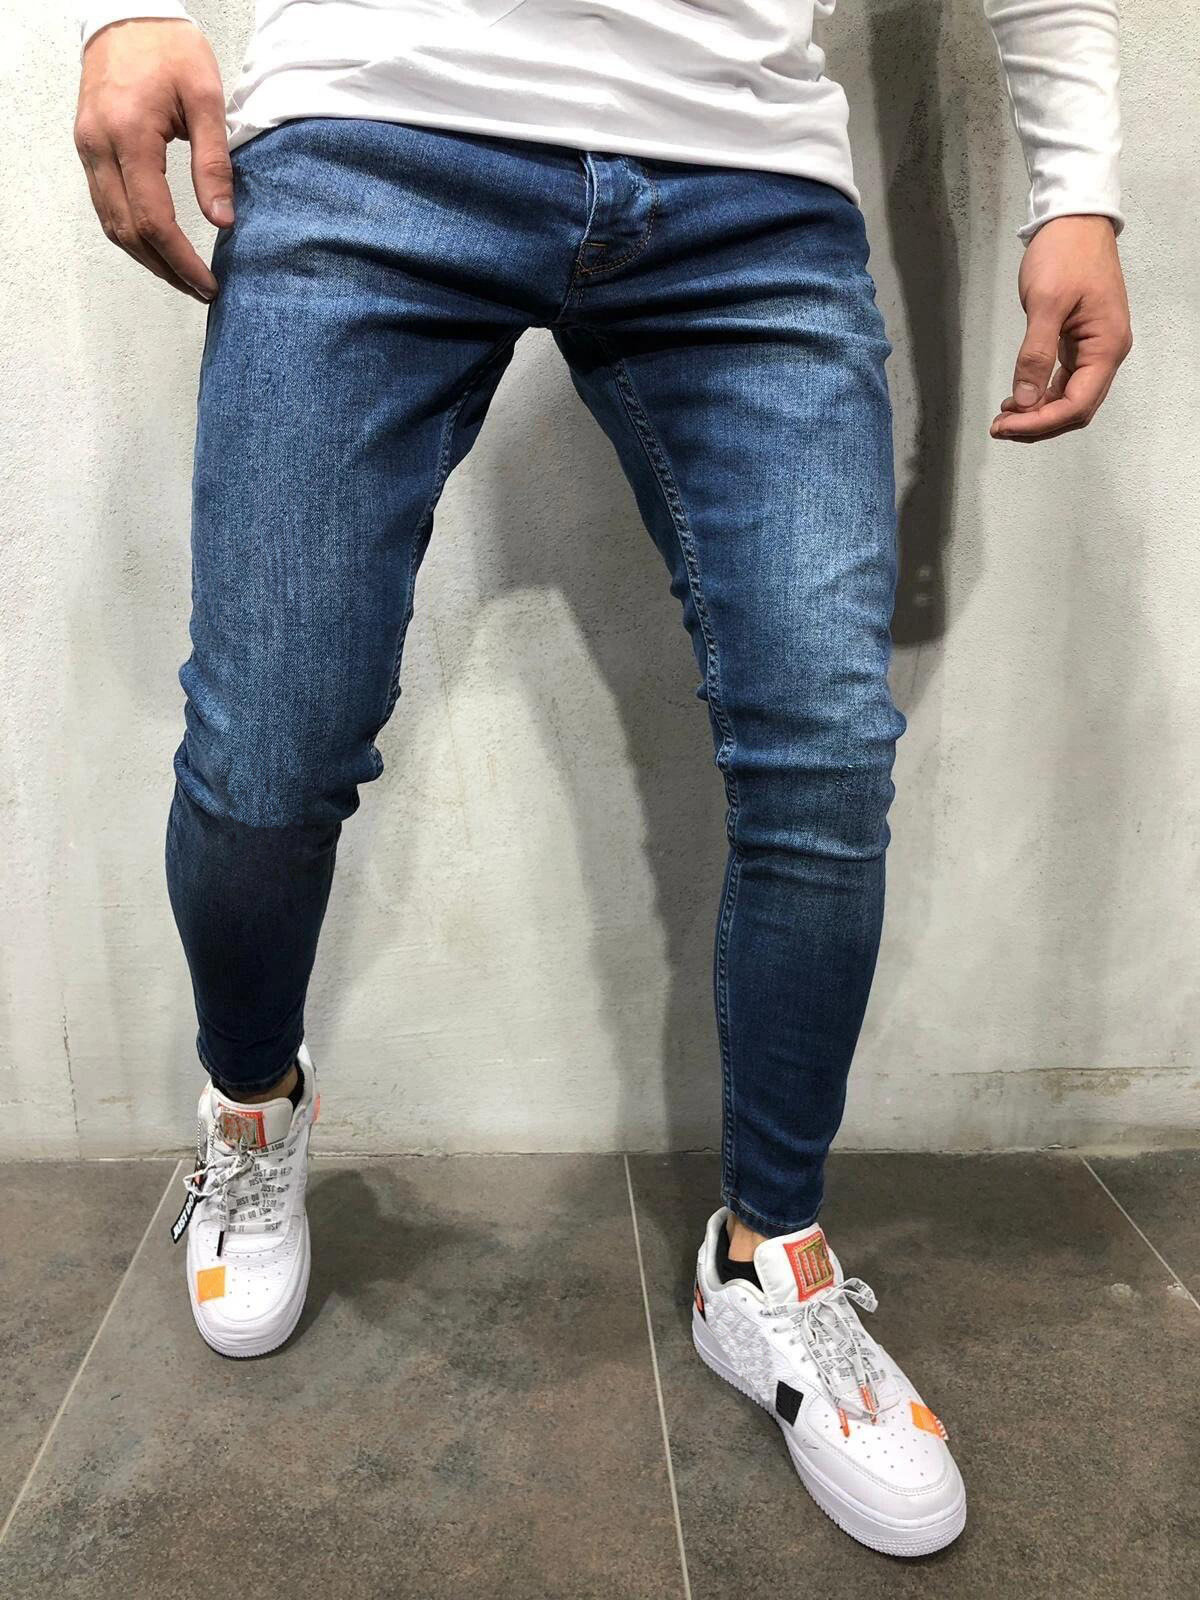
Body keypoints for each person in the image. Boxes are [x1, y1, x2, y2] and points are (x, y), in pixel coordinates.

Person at [74, 0, 1130, 1558]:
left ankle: (767, 1265)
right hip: (377, 130)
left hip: (744, 174)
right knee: (269, 746)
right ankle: (251, 1114)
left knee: (827, 758)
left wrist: (1079, 187)